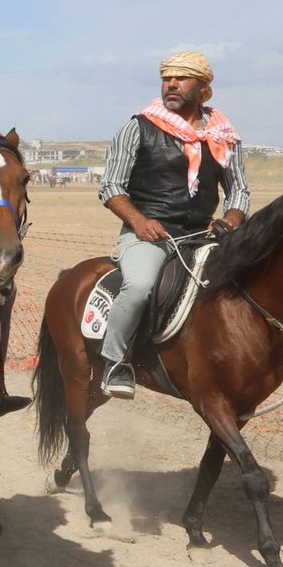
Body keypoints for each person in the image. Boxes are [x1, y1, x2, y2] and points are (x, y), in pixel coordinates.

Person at [96, 51, 249, 398]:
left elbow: (238, 190)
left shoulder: (223, 135)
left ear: (203, 88)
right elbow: (111, 186)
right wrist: (138, 221)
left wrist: (232, 218)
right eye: (167, 78)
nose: (172, 85)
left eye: (181, 78)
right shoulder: (138, 127)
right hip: (150, 235)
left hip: (203, 236)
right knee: (139, 286)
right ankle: (115, 361)